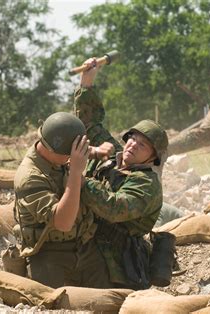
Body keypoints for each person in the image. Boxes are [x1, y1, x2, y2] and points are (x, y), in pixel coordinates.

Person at [74, 58, 170, 289]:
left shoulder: (147, 184)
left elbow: (114, 208)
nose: (133, 145)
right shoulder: (112, 154)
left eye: (143, 145)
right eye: (133, 139)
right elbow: (89, 123)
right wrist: (86, 83)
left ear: (152, 158)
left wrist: (76, 178)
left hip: (114, 263)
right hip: (85, 240)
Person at [13, 111, 114, 288]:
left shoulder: (53, 153)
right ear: (55, 149)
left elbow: (71, 151)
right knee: (53, 302)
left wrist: (96, 152)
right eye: (70, 154)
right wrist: (75, 172)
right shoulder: (30, 177)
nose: (72, 158)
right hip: (49, 252)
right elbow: (63, 222)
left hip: (83, 246)